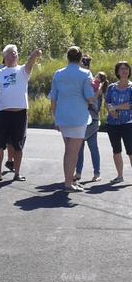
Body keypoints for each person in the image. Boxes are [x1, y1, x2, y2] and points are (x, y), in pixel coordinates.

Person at [0, 45, 42, 182]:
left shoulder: (22, 71)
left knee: (18, 144)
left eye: (16, 53)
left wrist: (34, 54)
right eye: (11, 53)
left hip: (20, 113)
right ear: (5, 57)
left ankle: (17, 173)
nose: (14, 55)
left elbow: (29, 63)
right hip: (3, 113)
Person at [49, 46, 95, 192]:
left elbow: (53, 98)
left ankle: (68, 181)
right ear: (81, 58)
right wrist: (96, 89)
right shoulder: (86, 73)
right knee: (72, 152)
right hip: (78, 116)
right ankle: (68, 183)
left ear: (67, 57)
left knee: (68, 150)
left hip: (62, 115)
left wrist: (55, 117)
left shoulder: (58, 73)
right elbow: (89, 98)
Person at [75, 63, 106, 183]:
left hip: (92, 120)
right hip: (82, 119)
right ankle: (78, 173)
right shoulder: (90, 85)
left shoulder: (98, 89)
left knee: (93, 148)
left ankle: (96, 173)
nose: (95, 78)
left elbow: (92, 100)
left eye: (98, 77)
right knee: (80, 149)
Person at [104, 61, 132, 183]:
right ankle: (119, 176)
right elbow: (107, 102)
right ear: (118, 72)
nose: (124, 70)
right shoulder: (111, 87)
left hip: (128, 124)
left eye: (126, 68)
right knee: (116, 150)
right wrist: (112, 111)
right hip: (112, 124)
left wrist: (115, 107)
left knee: (131, 151)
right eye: (121, 69)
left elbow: (130, 105)